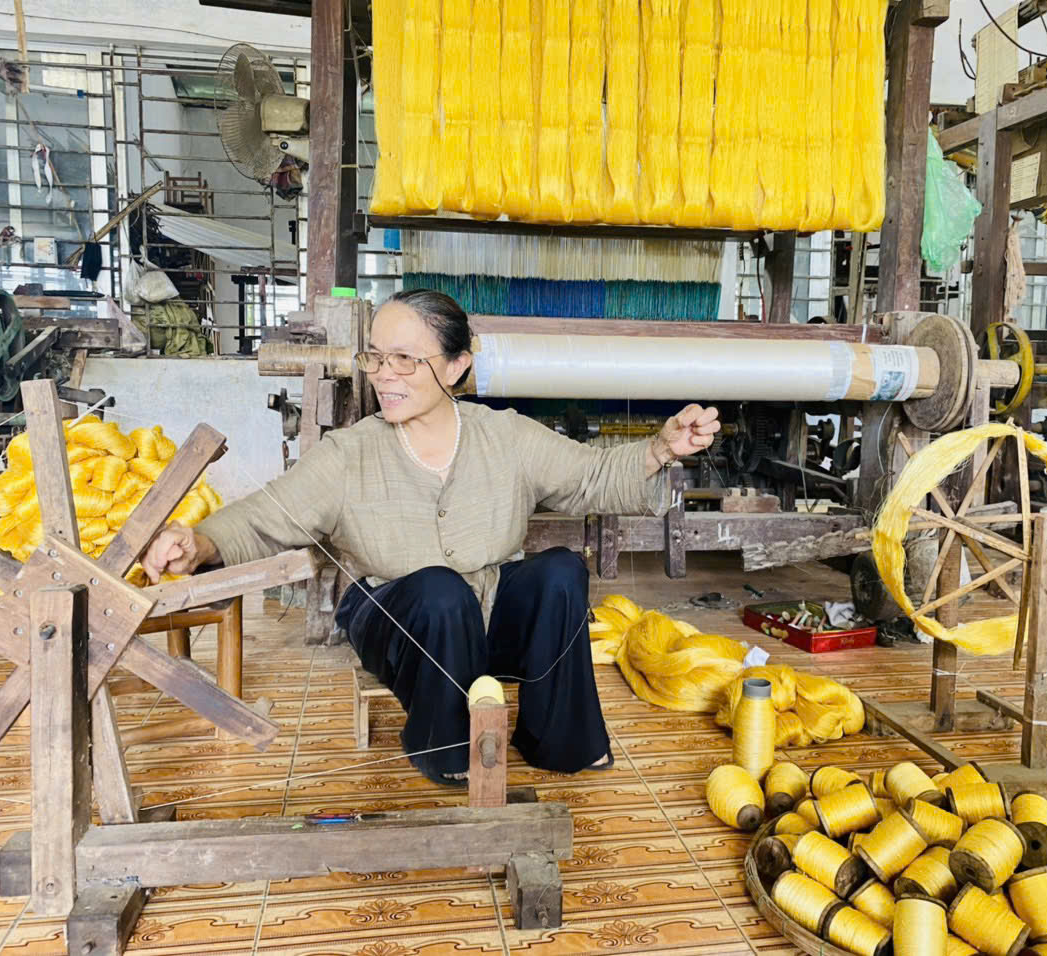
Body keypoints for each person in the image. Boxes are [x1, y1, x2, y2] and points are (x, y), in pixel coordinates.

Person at [141, 289, 720, 785]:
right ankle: (445, 749)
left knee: (561, 570)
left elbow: (592, 476)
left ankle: (557, 741)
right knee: (441, 590)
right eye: (375, 356)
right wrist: (199, 543)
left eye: (405, 359)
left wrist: (661, 449)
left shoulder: (505, 436)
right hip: (398, 621)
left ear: (456, 367)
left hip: (484, 612)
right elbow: (264, 516)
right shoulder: (350, 454)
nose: (384, 374)